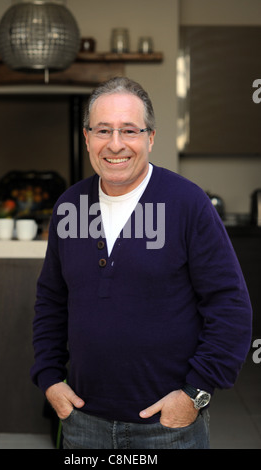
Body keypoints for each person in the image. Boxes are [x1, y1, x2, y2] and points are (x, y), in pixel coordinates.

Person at [31, 77, 252, 449]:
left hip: (168, 426)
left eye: (129, 130)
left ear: (150, 137)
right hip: (83, 423)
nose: (115, 144)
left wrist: (195, 393)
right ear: (87, 138)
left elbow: (230, 305)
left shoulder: (187, 203)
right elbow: (51, 300)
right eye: (103, 130)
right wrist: (50, 380)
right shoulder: (70, 206)